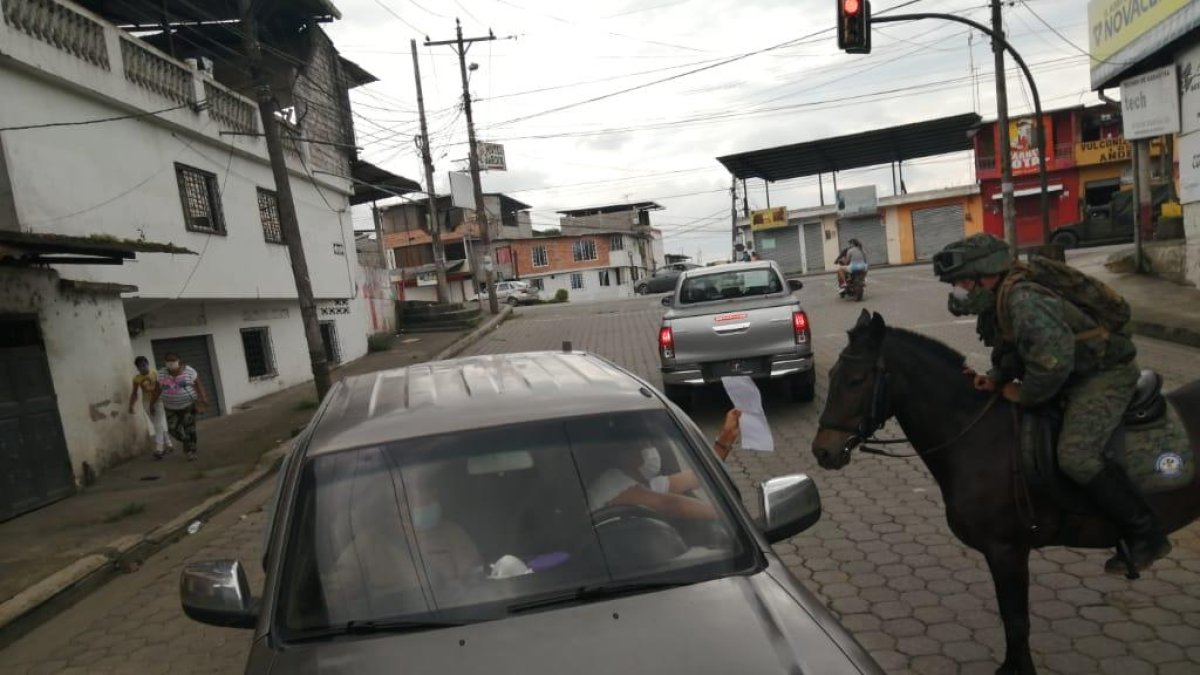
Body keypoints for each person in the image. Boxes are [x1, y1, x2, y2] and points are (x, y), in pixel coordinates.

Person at [932, 233, 1170, 574]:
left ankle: (1146, 532)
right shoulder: (1000, 299)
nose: (960, 290)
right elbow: (1017, 348)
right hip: (1071, 373)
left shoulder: (1024, 300)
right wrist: (998, 377)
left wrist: (1023, 393)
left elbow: (1052, 363)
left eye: (964, 282)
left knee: (1076, 456)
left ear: (988, 273)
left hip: (1102, 376)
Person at [587, 410, 741, 520]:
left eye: (648, 443)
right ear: (624, 454)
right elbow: (672, 505)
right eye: (643, 445)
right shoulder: (611, 482)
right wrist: (730, 518)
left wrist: (723, 441)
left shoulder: (647, 485)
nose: (650, 450)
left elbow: (698, 475)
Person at [150, 352, 208, 462]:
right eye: (168, 361)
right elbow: (157, 390)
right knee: (172, 429)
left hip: (188, 406)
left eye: (173, 360)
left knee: (189, 429)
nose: (171, 363)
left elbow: (198, 385)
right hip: (170, 407)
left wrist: (203, 399)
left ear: (179, 361)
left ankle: (191, 452)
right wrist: (151, 404)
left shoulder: (189, 371)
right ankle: (186, 441)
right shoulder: (161, 374)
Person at [127, 356, 173, 459]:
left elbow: (162, 388)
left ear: (147, 364)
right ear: (137, 368)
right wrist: (131, 405)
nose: (143, 367)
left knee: (157, 424)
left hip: (159, 401)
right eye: (140, 366)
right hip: (146, 403)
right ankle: (169, 444)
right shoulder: (137, 378)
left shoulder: (155, 373)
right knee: (158, 424)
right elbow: (134, 393)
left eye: (144, 365)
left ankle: (159, 448)